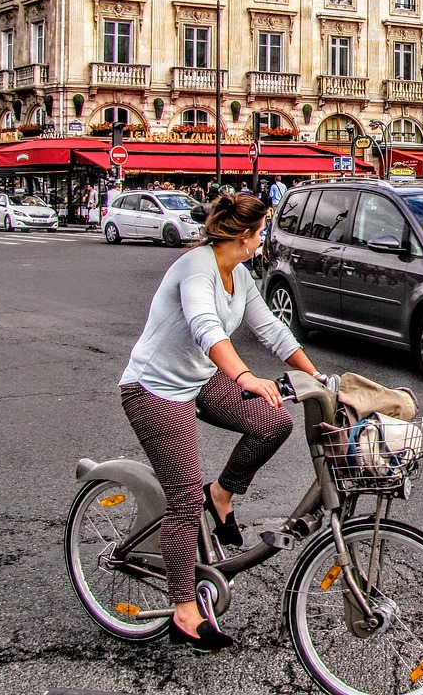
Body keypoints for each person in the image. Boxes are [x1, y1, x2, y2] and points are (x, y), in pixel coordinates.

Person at [118, 194, 324, 651]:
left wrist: (314, 375)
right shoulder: (197, 268)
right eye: (263, 230)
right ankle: (184, 609)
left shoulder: (240, 274)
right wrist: (246, 376)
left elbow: (270, 327)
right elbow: (205, 327)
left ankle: (223, 493)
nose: (265, 237)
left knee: (273, 423)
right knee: (184, 502)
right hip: (153, 389)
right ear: (245, 236)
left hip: (199, 379)